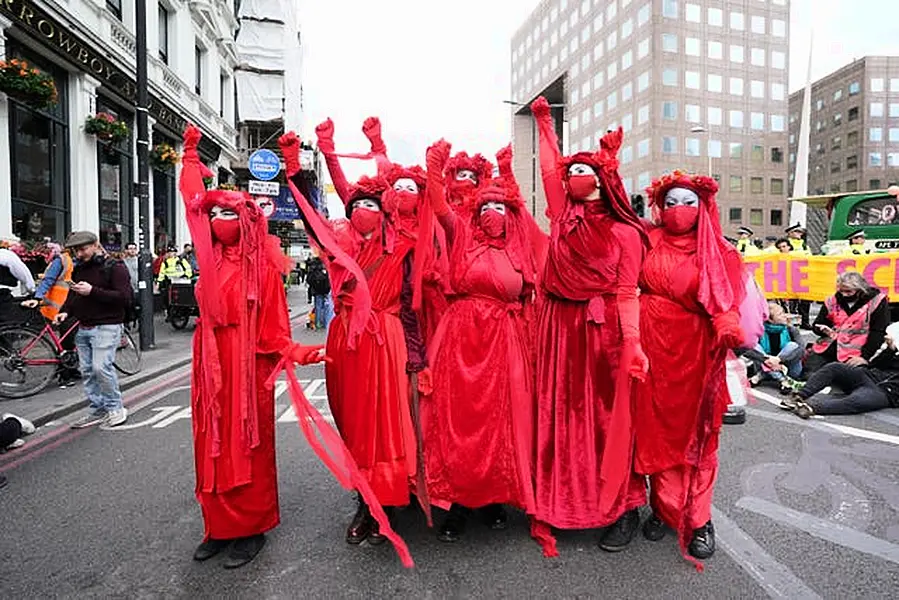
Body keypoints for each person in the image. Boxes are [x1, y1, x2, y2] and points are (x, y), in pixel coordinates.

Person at [179, 126, 331, 569]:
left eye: (228, 217)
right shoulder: (206, 258)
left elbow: (275, 332)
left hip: (248, 370)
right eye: (215, 217)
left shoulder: (263, 272)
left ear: (246, 221)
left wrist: (301, 353)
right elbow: (192, 205)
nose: (218, 224)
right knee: (210, 443)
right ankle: (218, 526)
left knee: (248, 446)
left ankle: (251, 527)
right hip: (209, 367)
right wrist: (190, 158)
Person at [279, 131, 424, 556]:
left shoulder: (403, 250)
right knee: (355, 426)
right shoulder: (336, 247)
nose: (364, 211)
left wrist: (418, 357)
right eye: (357, 205)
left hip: (389, 341)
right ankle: (365, 498)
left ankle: (386, 507)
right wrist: (296, 169)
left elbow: (412, 307)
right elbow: (311, 216)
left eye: (371, 206)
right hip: (346, 343)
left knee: (390, 428)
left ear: (385, 213)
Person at [529, 96, 649, 552]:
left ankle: (626, 505)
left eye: (586, 172)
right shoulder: (563, 217)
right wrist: (543, 122)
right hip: (559, 328)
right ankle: (564, 502)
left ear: (604, 180)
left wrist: (633, 343)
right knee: (560, 418)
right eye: (572, 173)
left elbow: (625, 294)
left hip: (604, 334)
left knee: (608, 420)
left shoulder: (625, 233)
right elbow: (547, 169)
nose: (575, 178)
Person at [420, 140, 550, 548]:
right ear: (474, 216)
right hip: (461, 341)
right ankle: (458, 502)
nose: (492, 214)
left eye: (499, 209)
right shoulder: (461, 237)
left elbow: (527, 216)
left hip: (504, 341)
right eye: (485, 209)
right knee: (460, 421)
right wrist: (434, 170)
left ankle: (494, 498)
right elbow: (440, 208)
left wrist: (508, 173)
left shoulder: (519, 249)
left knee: (501, 421)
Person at [636, 170, 747, 567]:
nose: (678, 210)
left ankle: (699, 521)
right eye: (669, 203)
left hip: (694, 357)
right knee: (654, 437)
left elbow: (725, 302)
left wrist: (729, 326)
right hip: (650, 358)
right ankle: (665, 510)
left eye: (687, 202)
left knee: (697, 442)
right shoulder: (647, 240)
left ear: (703, 207)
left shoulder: (719, 252)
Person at [57, 231, 132, 429]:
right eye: (76, 251)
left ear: (96, 245)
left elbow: (124, 298)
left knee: (101, 368)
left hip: (107, 326)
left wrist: (93, 291)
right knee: (88, 372)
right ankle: (98, 408)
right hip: (83, 328)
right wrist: (65, 311)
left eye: (83, 249)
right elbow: (74, 295)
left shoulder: (115, 268)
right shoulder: (80, 268)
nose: (79, 254)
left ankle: (116, 408)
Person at [787, 326, 899, 419]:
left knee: (858, 401)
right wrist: (890, 350)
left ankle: (811, 408)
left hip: (886, 392)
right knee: (835, 367)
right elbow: (875, 364)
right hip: (868, 375)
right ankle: (799, 395)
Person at [804, 271, 888, 376]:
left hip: (857, 352)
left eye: (848, 292)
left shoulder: (877, 301)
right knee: (809, 374)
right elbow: (818, 324)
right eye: (841, 291)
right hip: (829, 347)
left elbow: (878, 332)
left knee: (854, 378)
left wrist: (864, 357)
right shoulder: (832, 300)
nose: (844, 295)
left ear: (860, 289)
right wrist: (822, 330)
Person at [742, 302, 803, 393]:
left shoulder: (791, 329)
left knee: (792, 345)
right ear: (770, 319)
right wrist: (765, 359)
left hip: (789, 368)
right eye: (780, 314)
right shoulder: (759, 330)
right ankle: (783, 380)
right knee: (754, 345)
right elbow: (745, 349)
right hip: (764, 364)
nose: (785, 316)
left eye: (783, 312)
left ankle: (761, 375)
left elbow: (801, 350)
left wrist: (779, 359)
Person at [156, 245, 193, 319]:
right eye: (169, 252)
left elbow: (188, 269)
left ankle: (181, 313)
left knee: (181, 298)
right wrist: (158, 283)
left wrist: (187, 276)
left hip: (180, 282)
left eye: (172, 252)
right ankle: (170, 314)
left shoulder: (181, 260)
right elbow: (161, 274)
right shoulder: (165, 262)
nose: (171, 254)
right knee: (167, 298)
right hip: (169, 282)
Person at [305, 255, 333, 329]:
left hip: (317, 290)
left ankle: (317, 323)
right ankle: (326, 323)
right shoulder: (326, 263)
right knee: (328, 307)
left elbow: (309, 279)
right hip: (326, 289)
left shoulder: (313, 265)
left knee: (318, 306)